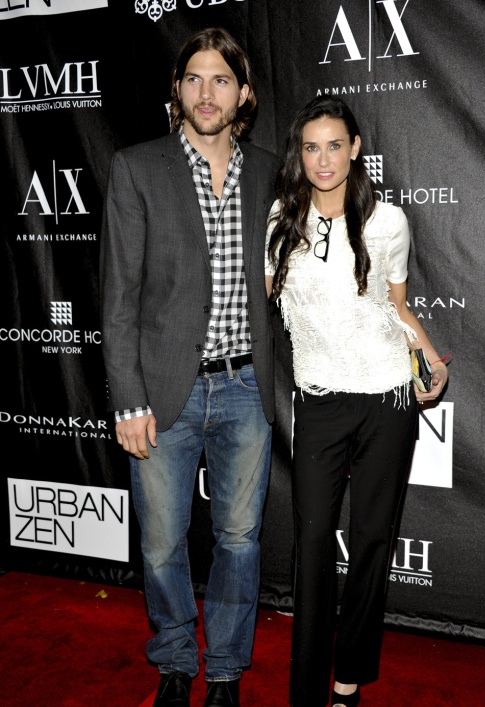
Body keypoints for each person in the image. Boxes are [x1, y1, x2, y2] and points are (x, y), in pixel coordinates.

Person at [100, 27, 280, 707]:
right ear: (176, 90)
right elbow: (119, 297)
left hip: (247, 387)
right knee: (160, 543)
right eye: (195, 79)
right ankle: (175, 660)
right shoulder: (137, 167)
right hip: (162, 392)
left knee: (239, 539)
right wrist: (127, 400)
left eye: (222, 80)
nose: (208, 94)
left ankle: (226, 671)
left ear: (244, 94)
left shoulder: (269, 171)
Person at [265, 95, 448, 707]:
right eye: (311, 147)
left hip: (387, 399)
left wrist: (428, 360)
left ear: (356, 148)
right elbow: (267, 301)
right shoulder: (280, 220)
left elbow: (396, 308)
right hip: (319, 400)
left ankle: (347, 685)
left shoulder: (387, 221)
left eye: (335, 146)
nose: (323, 159)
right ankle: (306, 690)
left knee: (372, 541)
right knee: (313, 542)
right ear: (299, 153)